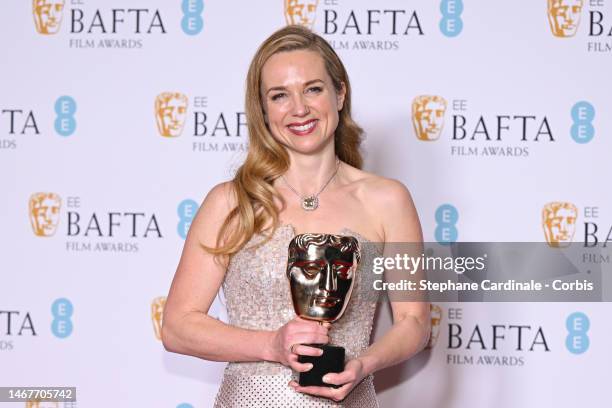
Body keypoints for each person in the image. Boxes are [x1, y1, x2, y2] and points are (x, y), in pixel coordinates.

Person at [162, 25, 430, 406]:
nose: (299, 108)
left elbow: (413, 323)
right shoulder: (230, 203)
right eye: (279, 95)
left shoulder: (387, 200)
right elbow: (177, 326)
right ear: (264, 109)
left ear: (340, 93)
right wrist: (270, 344)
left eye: (313, 88)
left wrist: (363, 364)